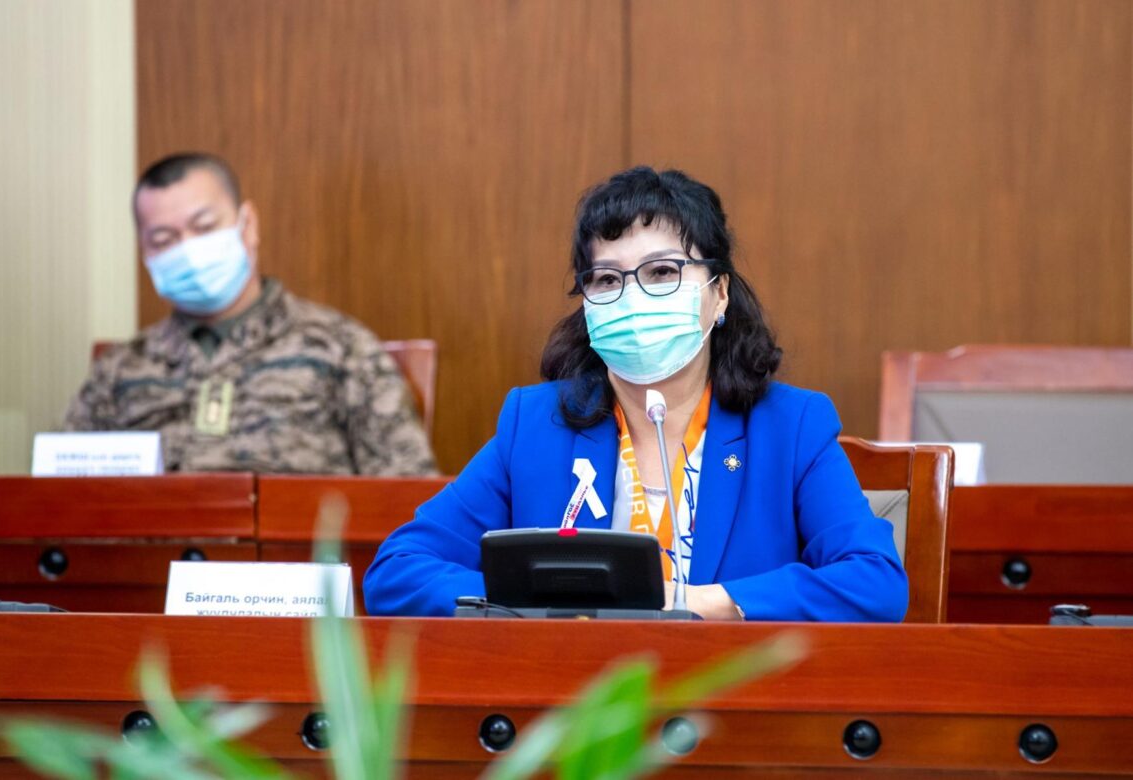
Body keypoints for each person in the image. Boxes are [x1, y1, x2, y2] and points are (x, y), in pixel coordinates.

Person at [363, 166, 907, 621]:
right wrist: (532, 602)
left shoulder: (791, 426)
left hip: (728, 701)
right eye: (606, 279)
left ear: (719, 294)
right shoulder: (535, 424)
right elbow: (398, 571)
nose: (633, 297)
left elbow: (875, 582)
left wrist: (704, 603)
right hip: (577, 701)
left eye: (662, 272)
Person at [65, 152, 437, 475]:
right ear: (145, 252)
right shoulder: (118, 371)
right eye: (164, 240)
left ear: (248, 225)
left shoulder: (341, 348)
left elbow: (409, 495)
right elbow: (58, 497)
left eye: (204, 227)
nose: (188, 250)